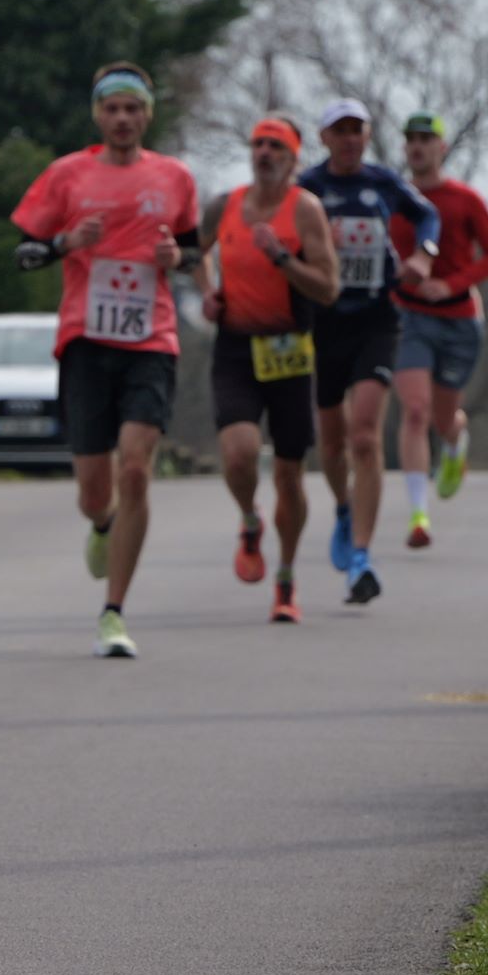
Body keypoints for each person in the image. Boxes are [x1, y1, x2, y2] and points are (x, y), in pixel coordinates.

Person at [10, 63, 201, 660]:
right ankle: (101, 523)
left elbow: (194, 251)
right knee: (96, 492)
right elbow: (23, 252)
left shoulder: (174, 177)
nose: (123, 118)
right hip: (86, 341)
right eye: (112, 108)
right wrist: (65, 243)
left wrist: (177, 258)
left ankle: (113, 612)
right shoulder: (67, 174)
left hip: (152, 338)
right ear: (98, 115)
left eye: (133, 108)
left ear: (148, 115)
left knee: (137, 470)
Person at [295, 100, 438, 605]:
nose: (350, 139)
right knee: (332, 443)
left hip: (377, 319)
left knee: (364, 436)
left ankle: (361, 556)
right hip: (324, 323)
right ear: (324, 137)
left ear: (368, 136)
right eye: (340, 131)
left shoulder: (383, 182)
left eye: (357, 130)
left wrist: (423, 256)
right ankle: (342, 507)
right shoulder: (308, 187)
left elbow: (427, 215)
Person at [201, 117, 340, 624]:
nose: (264, 153)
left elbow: (329, 288)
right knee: (239, 454)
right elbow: (194, 252)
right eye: (259, 144)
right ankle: (248, 518)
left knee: (288, 474)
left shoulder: (305, 210)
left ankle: (285, 576)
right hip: (236, 347)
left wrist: (282, 258)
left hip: (289, 351)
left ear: (293, 158)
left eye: (276, 147)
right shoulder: (225, 205)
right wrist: (208, 292)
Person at [386, 113, 488, 549]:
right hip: (409, 317)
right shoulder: (395, 198)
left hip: (459, 320)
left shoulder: (464, 199)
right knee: (415, 411)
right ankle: (419, 515)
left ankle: (455, 439)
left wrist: (451, 285)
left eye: (426, 139)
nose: (417, 146)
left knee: (441, 418)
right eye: (411, 139)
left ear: (442, 147)